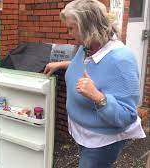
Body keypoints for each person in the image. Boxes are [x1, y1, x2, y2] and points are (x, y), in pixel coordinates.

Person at [44, 0, 146, 167]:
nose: (69, 33)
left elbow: (128, 115)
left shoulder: (122, 60)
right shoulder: (88, 46)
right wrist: (62, 64)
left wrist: (97, 97)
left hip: (100, 141)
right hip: (82, 133)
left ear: (87, 26)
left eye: (71, 27)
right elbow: (93, 67)